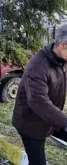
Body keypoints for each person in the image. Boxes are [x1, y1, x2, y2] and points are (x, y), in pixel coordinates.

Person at [13, 24, 67, 165]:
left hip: (49, 119)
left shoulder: (60, 59)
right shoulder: (38, 66)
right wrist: (65, 122)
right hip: (30, 123)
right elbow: (38, 101)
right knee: (38, 162)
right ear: (63, 45)